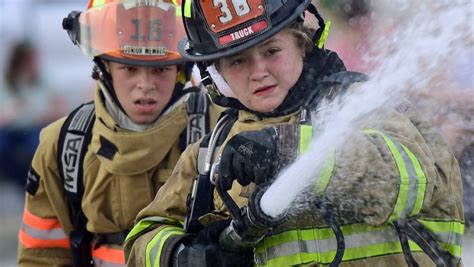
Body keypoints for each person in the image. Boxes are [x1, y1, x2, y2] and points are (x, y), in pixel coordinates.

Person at [125, 0, 464, 266]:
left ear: (302, 43)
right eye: (238, 61)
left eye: (272, 51)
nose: (259, 72)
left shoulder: (363, 108)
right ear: (218, 72)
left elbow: (410, 183)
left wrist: (286, 149)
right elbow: (143, 238)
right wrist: (182, 255)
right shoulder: (207, 154)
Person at [17, 0, 223, 266]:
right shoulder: (64, 144)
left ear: (181, 71)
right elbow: (41, 257)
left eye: (160, 69)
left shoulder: (218, 133)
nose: (145, 85)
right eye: (129, 68)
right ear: (105, 67)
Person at [0, 40, 65, 188]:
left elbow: (61, 109)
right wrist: (11, 112)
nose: (35, 64)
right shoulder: (5, 83)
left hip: (34, 127)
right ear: (20, 60)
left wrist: (46, 113)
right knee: (2, 149)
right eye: (31, 60)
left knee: (39, 148)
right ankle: (25, 185)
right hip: (8, 130)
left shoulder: (44, 80)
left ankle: (36, 185)